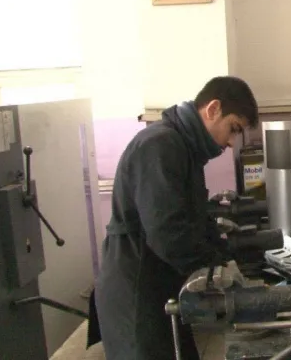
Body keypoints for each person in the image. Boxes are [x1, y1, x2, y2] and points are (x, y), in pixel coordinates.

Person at [91, 76, 259, 360]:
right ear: (213, 109)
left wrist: (223, 257)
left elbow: (195, 216)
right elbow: (167, 231)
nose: (231, 142)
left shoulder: (183, 147)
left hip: (159, 279)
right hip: (137, 284)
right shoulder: (160, 145)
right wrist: (213, 271)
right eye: (233, 129)